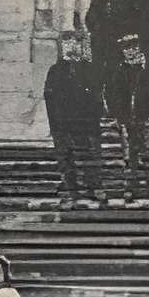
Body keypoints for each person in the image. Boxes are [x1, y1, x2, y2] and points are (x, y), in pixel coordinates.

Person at [42, 28, 105, 206]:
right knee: (65, 156)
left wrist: (94, 116)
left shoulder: (89, 70)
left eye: (75, 42)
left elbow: (97, 94)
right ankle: (71, 189)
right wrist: (55, 123)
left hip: (85, 121)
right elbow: (49, 96)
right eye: (67, 42)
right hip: (63, 121)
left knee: (90, 154)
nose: (71, 46)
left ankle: (93, 186)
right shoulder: (55, 71)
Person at [104, 27, 149, 205]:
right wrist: (118, 115)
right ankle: (130, 188)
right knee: (129, 154)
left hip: (146, 118)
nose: (130, 52)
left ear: (140, 49)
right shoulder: (119, 72)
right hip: (127, 119)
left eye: (133, 47)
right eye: (126, 48)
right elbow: (112, 95)